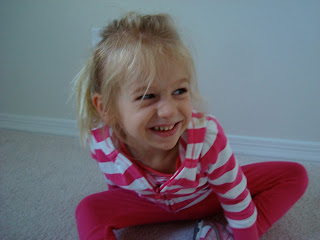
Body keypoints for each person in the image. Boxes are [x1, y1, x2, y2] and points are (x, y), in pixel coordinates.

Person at [73, 12, 308, 240]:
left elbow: (235, 198)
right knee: (88, 209)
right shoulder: (102, 143)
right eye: (147, 96)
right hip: (149, 206)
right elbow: (117, 187)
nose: (168, 111)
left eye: (179, 91)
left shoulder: (207, 136)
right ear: (107, 109)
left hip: (206, 198)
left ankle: (222, 235)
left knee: (294, 175)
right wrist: (122, 212)